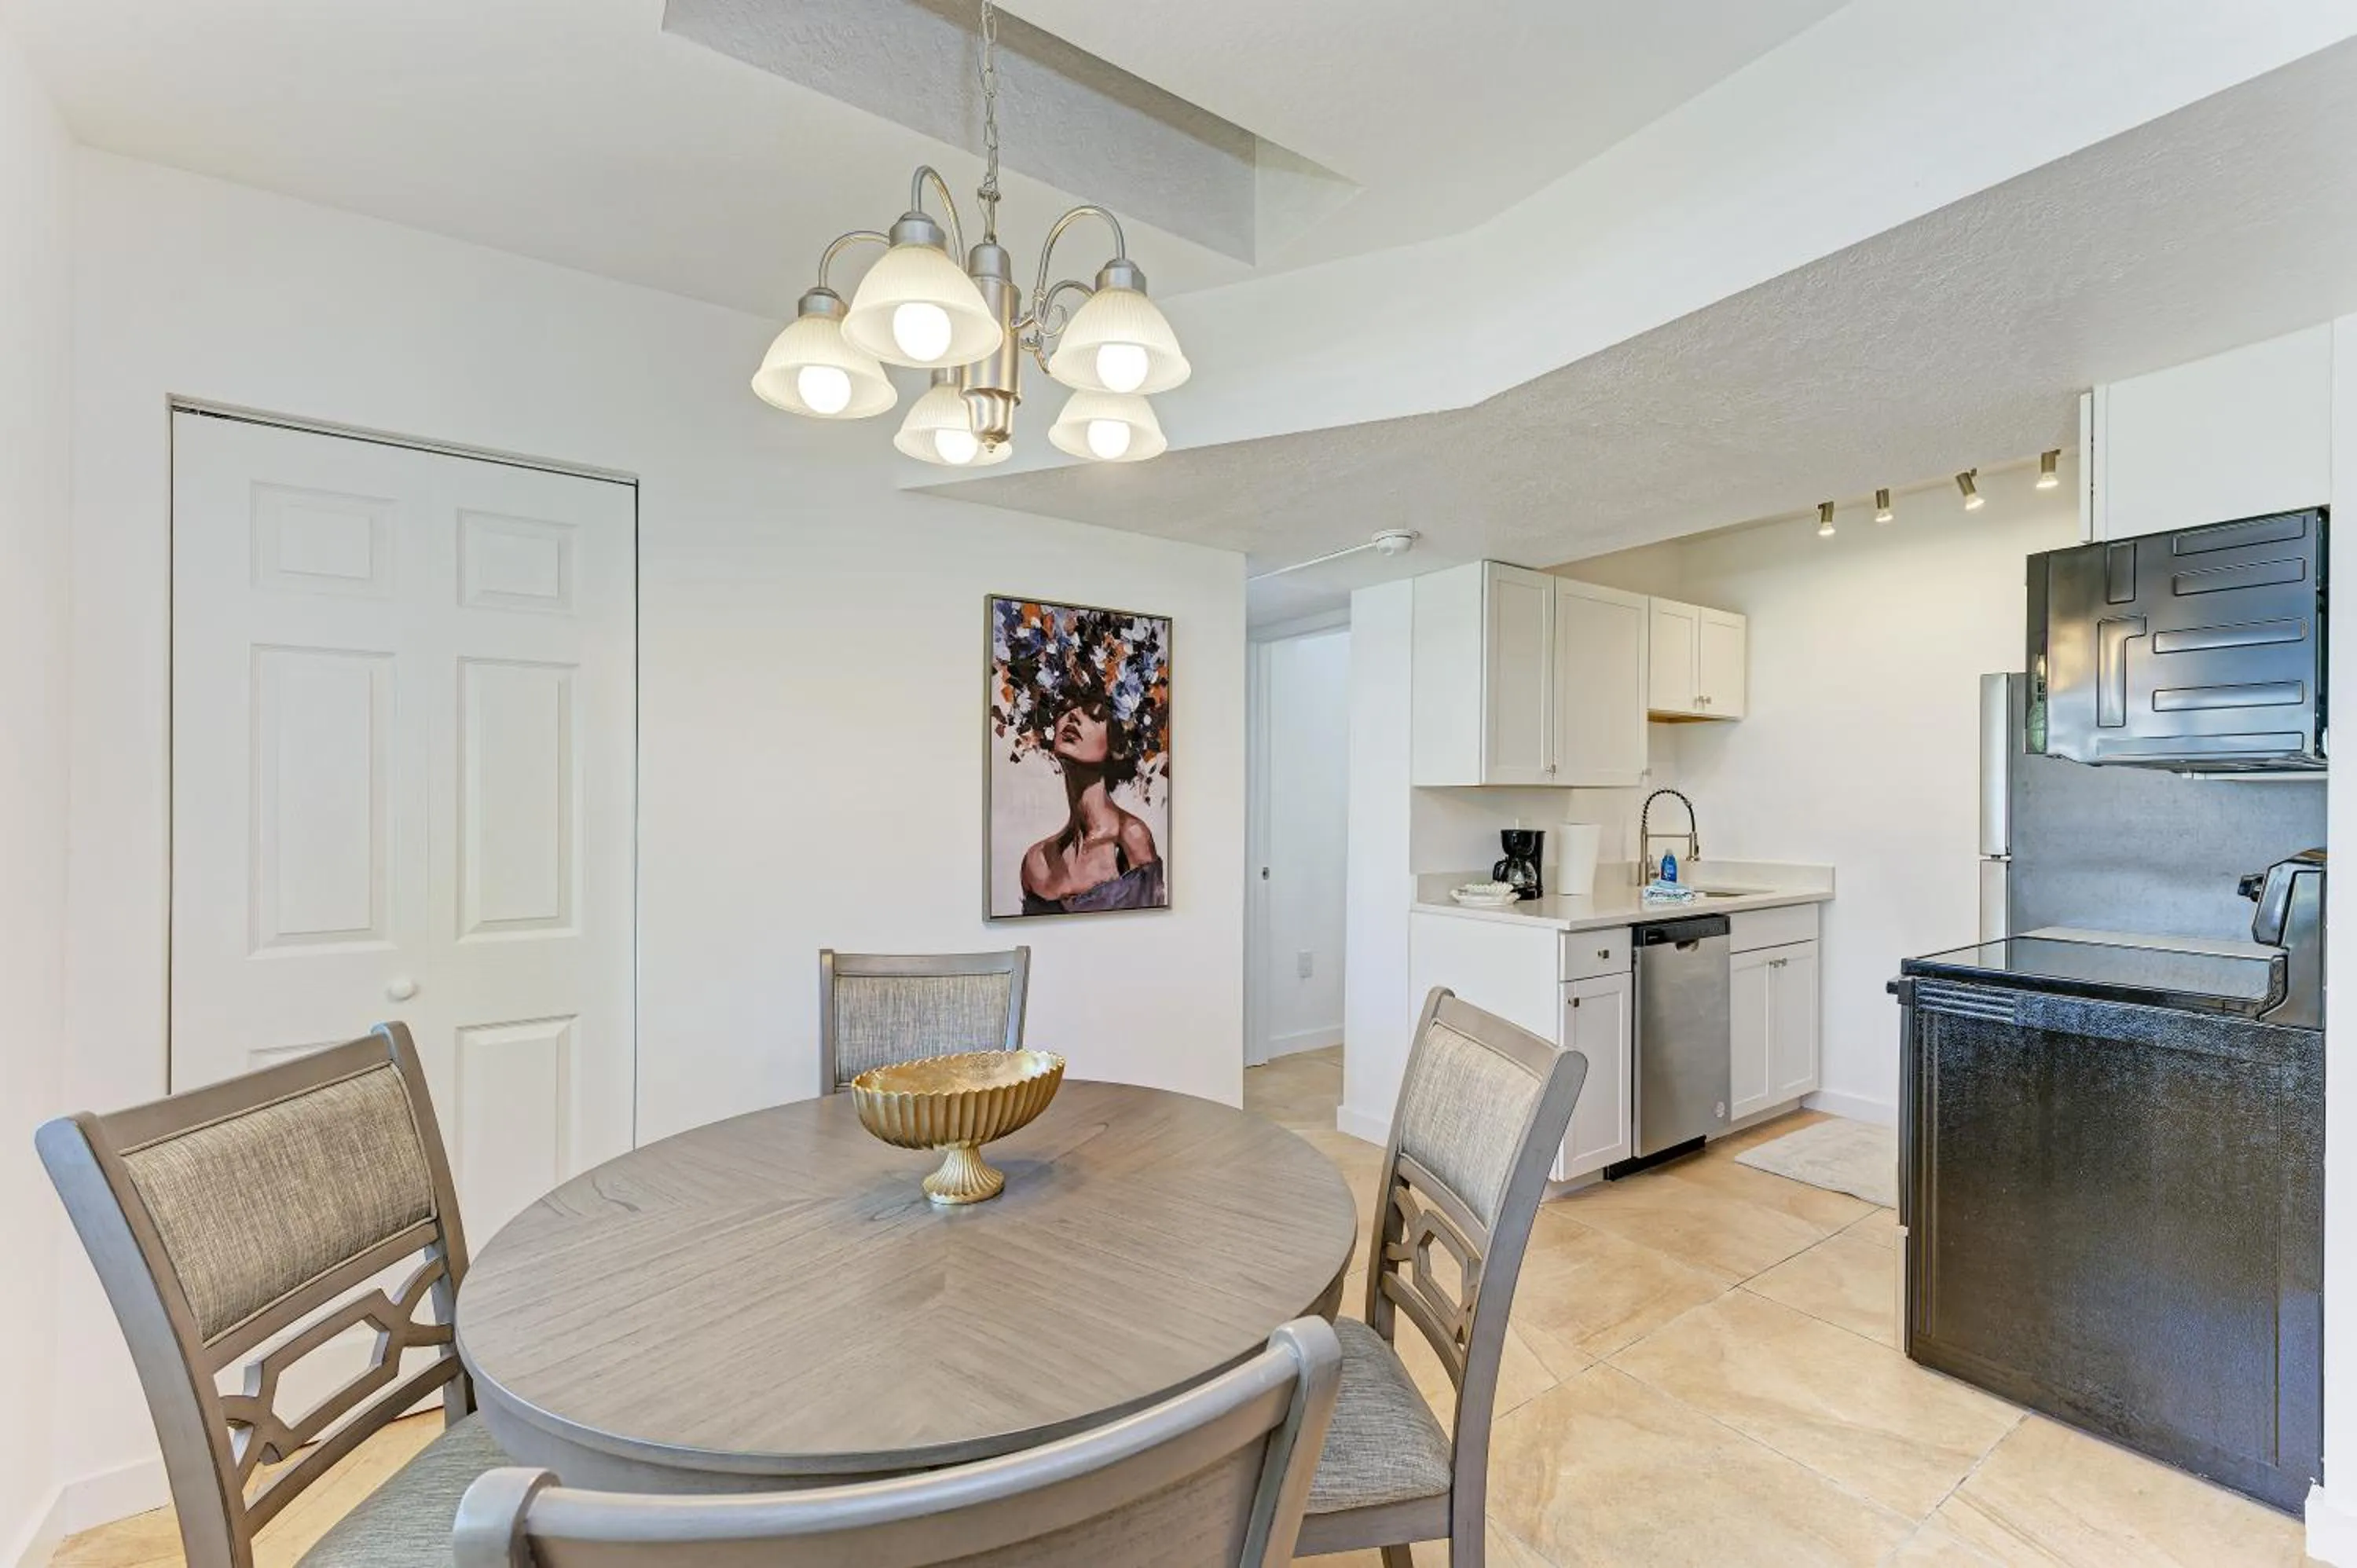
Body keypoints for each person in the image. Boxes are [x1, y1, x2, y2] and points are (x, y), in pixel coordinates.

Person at [1019, 691, 1164, 914]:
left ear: (1117, 746)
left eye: (1094, 715)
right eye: (1065, 708)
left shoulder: (1130, 838)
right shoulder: (1038, 862)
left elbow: (1151, 934)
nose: (1073, 716)